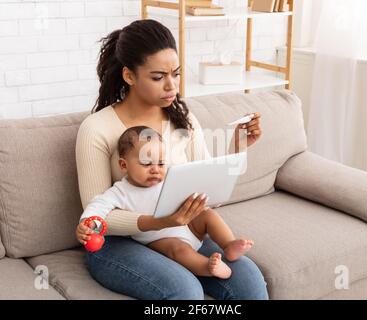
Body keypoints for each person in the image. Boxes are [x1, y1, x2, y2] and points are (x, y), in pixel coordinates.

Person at [75, 19, 267, 299]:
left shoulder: (182, 118)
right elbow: (97, 218)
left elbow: (209, 195)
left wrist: (238, 146)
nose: (171, 86)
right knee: (185, 291)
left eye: (175, 74)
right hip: (115, 243)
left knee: (249, 281)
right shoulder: (96, 129)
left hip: (179, 231)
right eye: (158, 77)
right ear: (129, 76)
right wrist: (159, 221)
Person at [79, 126, 254, 280]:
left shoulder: (171, 178)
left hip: (190, 226)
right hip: (161, 238)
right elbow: (97, 205)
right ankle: (208, 267)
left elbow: (200, 188)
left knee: (208, 215)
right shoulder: (120, 192)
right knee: (178, 250)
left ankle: (228, 245)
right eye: (146, 163)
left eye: (161, 163)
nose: (155, 169)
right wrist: (86, 225)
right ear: (124, 165)